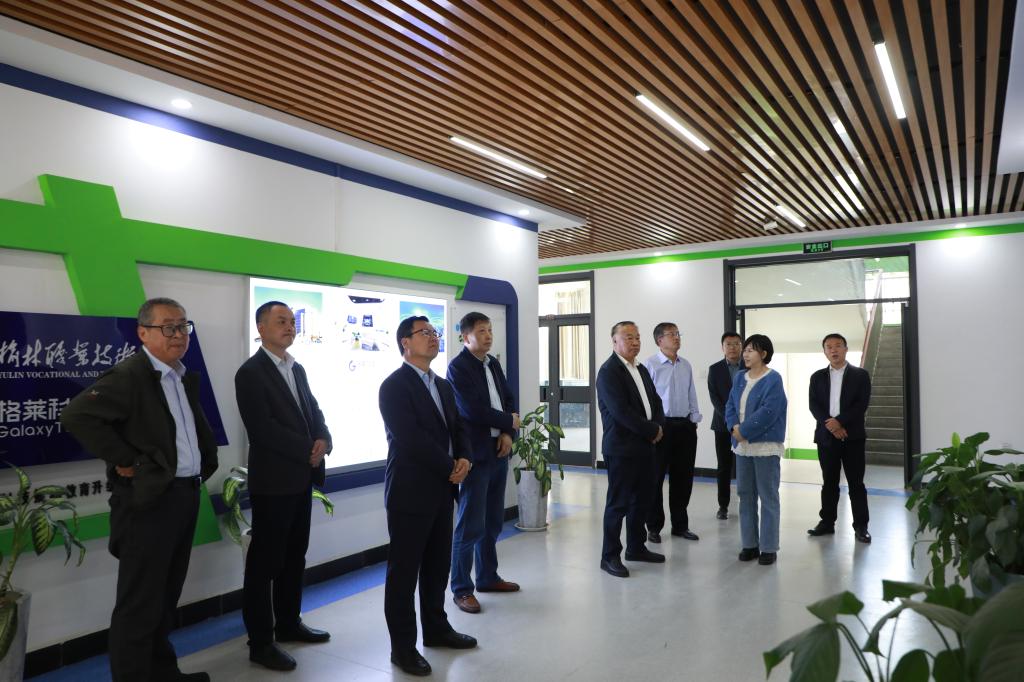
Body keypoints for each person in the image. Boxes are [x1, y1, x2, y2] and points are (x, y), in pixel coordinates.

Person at [60, 297, 218, 682]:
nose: (179, 335)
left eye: (183, 326)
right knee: (140, 603)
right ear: (143, 333)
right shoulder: (131, 375)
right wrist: (126, 459)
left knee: (165, 596)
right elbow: (77, 415)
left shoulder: (178, 375)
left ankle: (163, 673)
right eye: (168, 327)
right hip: (149, 502)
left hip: (182, 495)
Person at [234, 301, 333, 671]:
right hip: (273, 483)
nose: (290, 327)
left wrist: (324, 439)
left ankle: (289, 623)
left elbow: (314, 411)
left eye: (292, 321)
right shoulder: (250, 373)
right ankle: (260, 642)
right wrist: (308, 449)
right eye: (281, 321)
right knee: (264, 564)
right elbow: (262, 429)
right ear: (261, 327)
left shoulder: (297, 368)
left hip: (301, 479)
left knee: (294, 556)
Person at [378, 315, 476, 676]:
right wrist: (450, 465)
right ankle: (403, 648)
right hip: (410, 491)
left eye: (434, 332)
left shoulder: (443, 385)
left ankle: (436, 629)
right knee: (403, 574)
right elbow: (410, 438)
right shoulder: (394, 386)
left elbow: (458, 427)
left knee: (437, 567)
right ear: (406, 342)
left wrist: (464, 458)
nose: (433, 337)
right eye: (425, 333)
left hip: (442, 489)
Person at [447, 312, 521, 614]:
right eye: (481, 331)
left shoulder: (493, 363)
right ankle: (461, 588)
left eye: (490, 330)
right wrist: (508, 421)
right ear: (466, 337)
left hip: (498, 451)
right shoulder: (458, 368)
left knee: (492, 522)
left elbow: (508, 400)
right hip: (475, 455)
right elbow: (472, 410)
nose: (488, 335)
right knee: (470, 525)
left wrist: (507, 433)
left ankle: (488, 577)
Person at [596, 321, 666, 578]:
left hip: (646, 447)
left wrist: (658, 426)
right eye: (628, 337)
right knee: (619, 504)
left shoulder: (641, 368)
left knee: (642, 500)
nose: (635, 342)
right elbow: (621, 412)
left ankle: (636, 548)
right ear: (615, 342)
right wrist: (651, 431)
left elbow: (656, 402)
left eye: (637, 337)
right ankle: (609, 556)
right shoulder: (608, 372)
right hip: (622, 448)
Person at [725, 334, 787, 566]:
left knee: (768, 496)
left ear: (764, 354)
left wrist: (744, 431)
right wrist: (734, 427)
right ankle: (749, 544)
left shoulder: (773, 379)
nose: (745, 353)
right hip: (742, 446)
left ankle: (769, 547)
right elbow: (730, 405)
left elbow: (770, 412)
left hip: (764, 446)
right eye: (746, 350)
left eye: (751, 350)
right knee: (745, 495)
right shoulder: (739, 377)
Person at [807, 333, 873, 543]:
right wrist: (831, 425)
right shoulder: (817, 377)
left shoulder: (860, 375)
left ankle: (861, 526)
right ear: (824, 351)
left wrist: (840, 422)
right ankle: (827, 522)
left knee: (856, 483)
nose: (833, 350)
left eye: (838, 346)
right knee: (829, 481)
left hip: (852, 437)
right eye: (829, 347)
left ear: (846, 349)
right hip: (827, 437)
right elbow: (814, 405)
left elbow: (861, 404)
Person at [642, 322, 702, 542]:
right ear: (660, 340)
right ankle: (654, 527)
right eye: (671, 334)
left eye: (678, 334)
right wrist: (652, 427)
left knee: (683, 478)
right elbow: (647, 399)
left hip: (685, 426)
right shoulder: (650, 365)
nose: (677, 337)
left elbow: (691, 392)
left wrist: (694, 418)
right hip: (661, 427)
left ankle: (680, 525)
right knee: (655, 478)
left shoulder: (685, 364)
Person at [708, 332, 743, 520]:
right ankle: (723, 506)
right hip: (722, 426)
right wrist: (731, 421)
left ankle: (747, 502)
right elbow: (715, 399)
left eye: (736, 344)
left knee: (746, 465)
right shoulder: (715, 369)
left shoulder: (750, 366)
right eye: (728, 344)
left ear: (741, 346)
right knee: (724, 466)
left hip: (746, 426)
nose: (732, 347)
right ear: (722, 347)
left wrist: (742, 421)